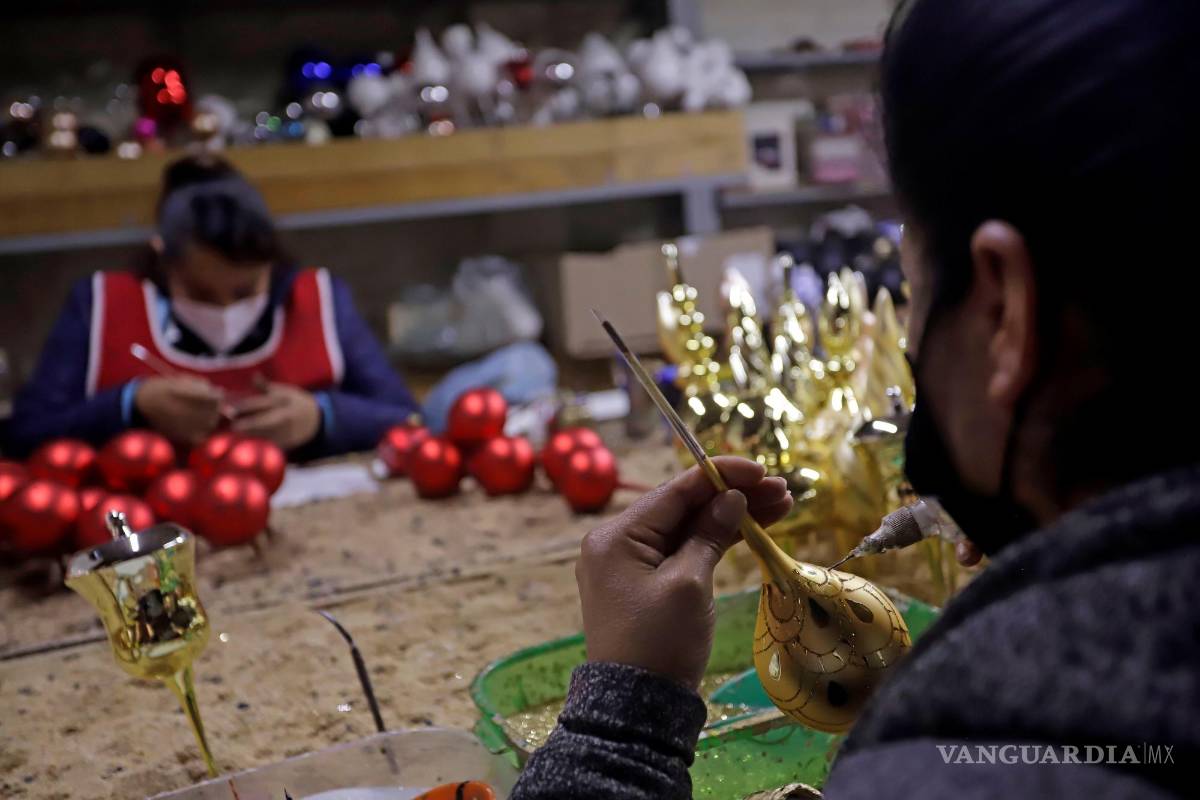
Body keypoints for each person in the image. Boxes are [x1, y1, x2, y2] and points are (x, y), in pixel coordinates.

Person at [512, 0, 1199, 797]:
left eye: (914, 292)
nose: (908, 344)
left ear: (1006, 313)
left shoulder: (962, 766)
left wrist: (616, 727)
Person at [6, 155, 419, 458]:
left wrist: (323, 417)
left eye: (243, 293)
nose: (225, 309)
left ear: (271, 262)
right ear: (161, 257)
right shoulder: (99, 305)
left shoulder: (320, 298)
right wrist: (132, 404)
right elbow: (23, 436)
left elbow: (405, 417)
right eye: (202, 294)